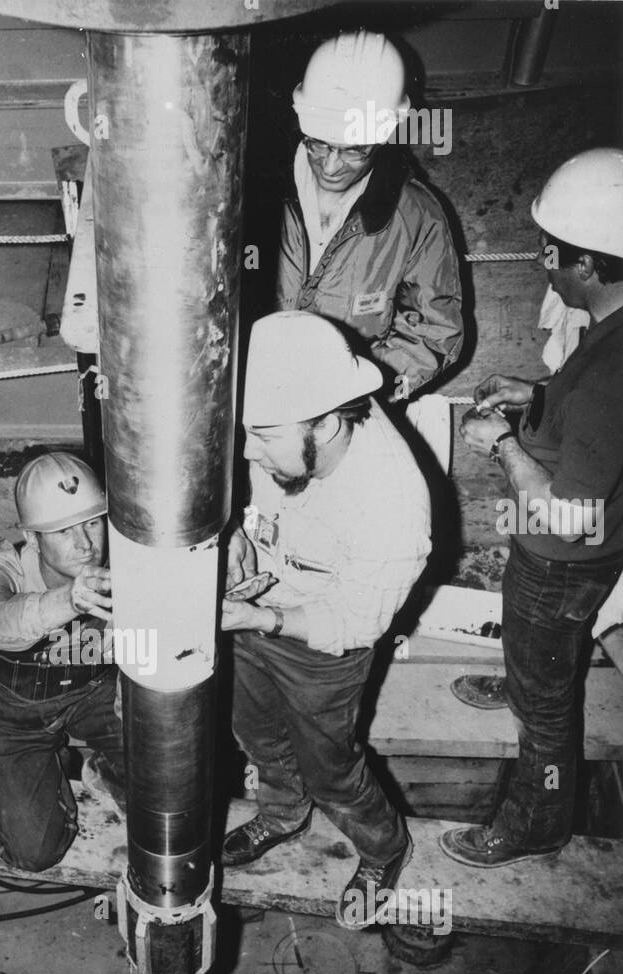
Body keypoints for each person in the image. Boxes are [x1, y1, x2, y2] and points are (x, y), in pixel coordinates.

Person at [440, 149, 623, 868]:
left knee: (549, 712)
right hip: (582, 562)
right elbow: (595, 431)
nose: (543, 263)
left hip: (562, 560)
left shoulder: (612, 371)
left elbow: (570, 514)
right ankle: (526, 674)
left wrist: (501, 442)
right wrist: (537, 395)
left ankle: (537, 820)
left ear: (588, 264)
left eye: (552, 252)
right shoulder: (612, 332)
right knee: (538, 657)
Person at [221, 312, 430, 927]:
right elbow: (239, 486)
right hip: (250, 609)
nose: (246, 451)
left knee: (332, 768)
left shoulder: (392, 505)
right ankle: (284, 812)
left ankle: (385, 847)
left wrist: (263, 617)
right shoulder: (283, 420)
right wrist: (233, 529)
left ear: (332, 424)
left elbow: (357, 622)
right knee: (255, 733)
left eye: (262, 437)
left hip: (322, 645)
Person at [0, 451, 125, 871]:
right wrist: (68, 600)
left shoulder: (125, 557)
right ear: (32, 538)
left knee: (170, 772)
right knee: (34, 853)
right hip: (9, 713)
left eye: (91, 523)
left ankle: (106, 767)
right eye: (64, 531)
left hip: (94, 691)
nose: (85, 544)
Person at [277, 29, 463, 399]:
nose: (330, 166)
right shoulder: (251, 189)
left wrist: (361, 388)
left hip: (349, 397)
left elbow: (434, 332)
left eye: (353, 151)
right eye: (319, 143)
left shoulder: (417, 217)